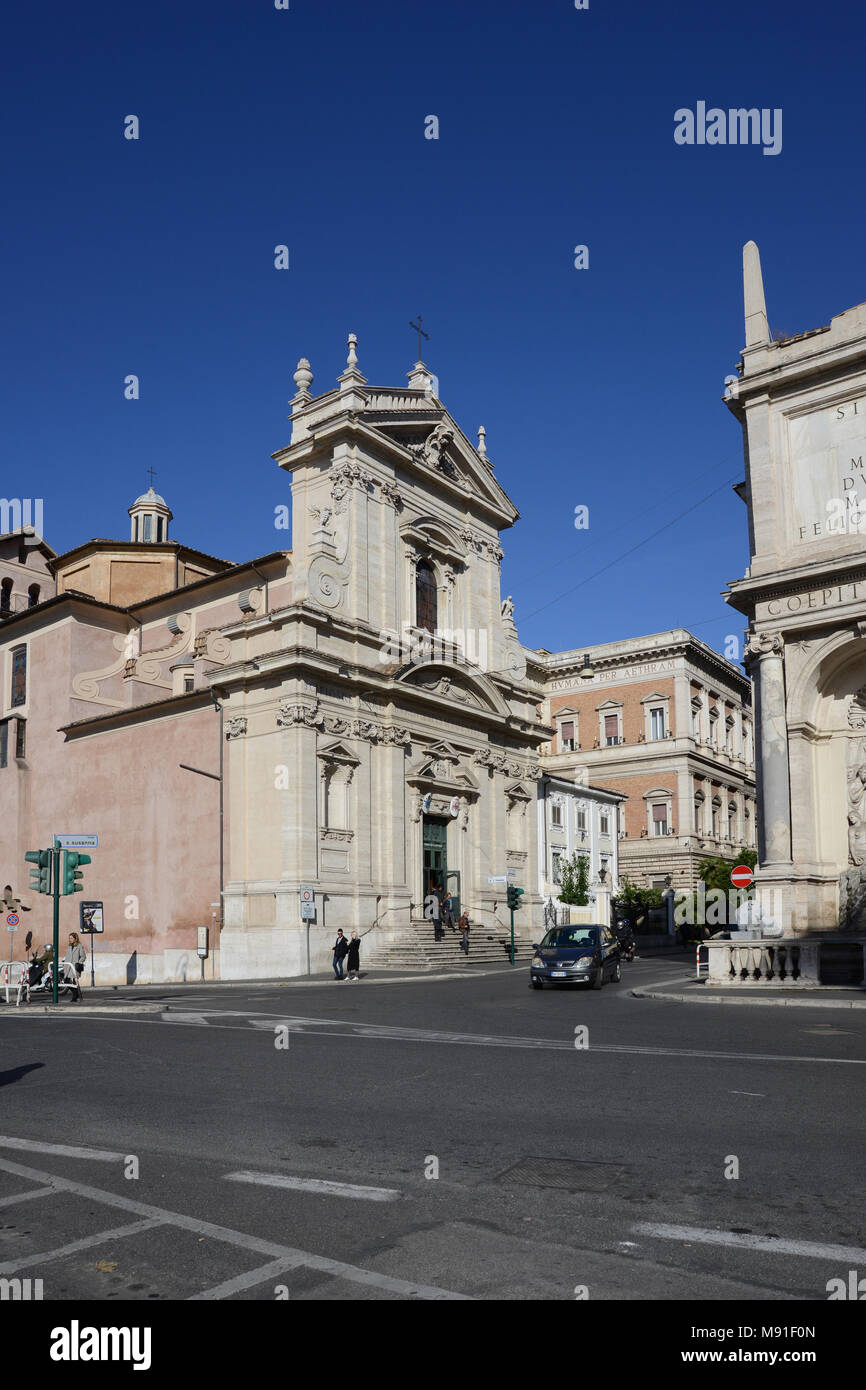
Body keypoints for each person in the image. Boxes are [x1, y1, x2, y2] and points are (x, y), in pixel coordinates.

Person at [63, 932, 87, 1000]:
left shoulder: (79, 946)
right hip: (68, 967)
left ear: (75, 938)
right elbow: (67, 957)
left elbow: (83, 956)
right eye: (69, 938)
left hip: (75, 967)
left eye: (71, 938)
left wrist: (79, 962)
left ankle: (74, 997)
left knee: (74, 982)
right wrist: (64, 965)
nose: (70, 939)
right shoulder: (69, 946)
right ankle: (76, 994)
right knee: (66, 982)